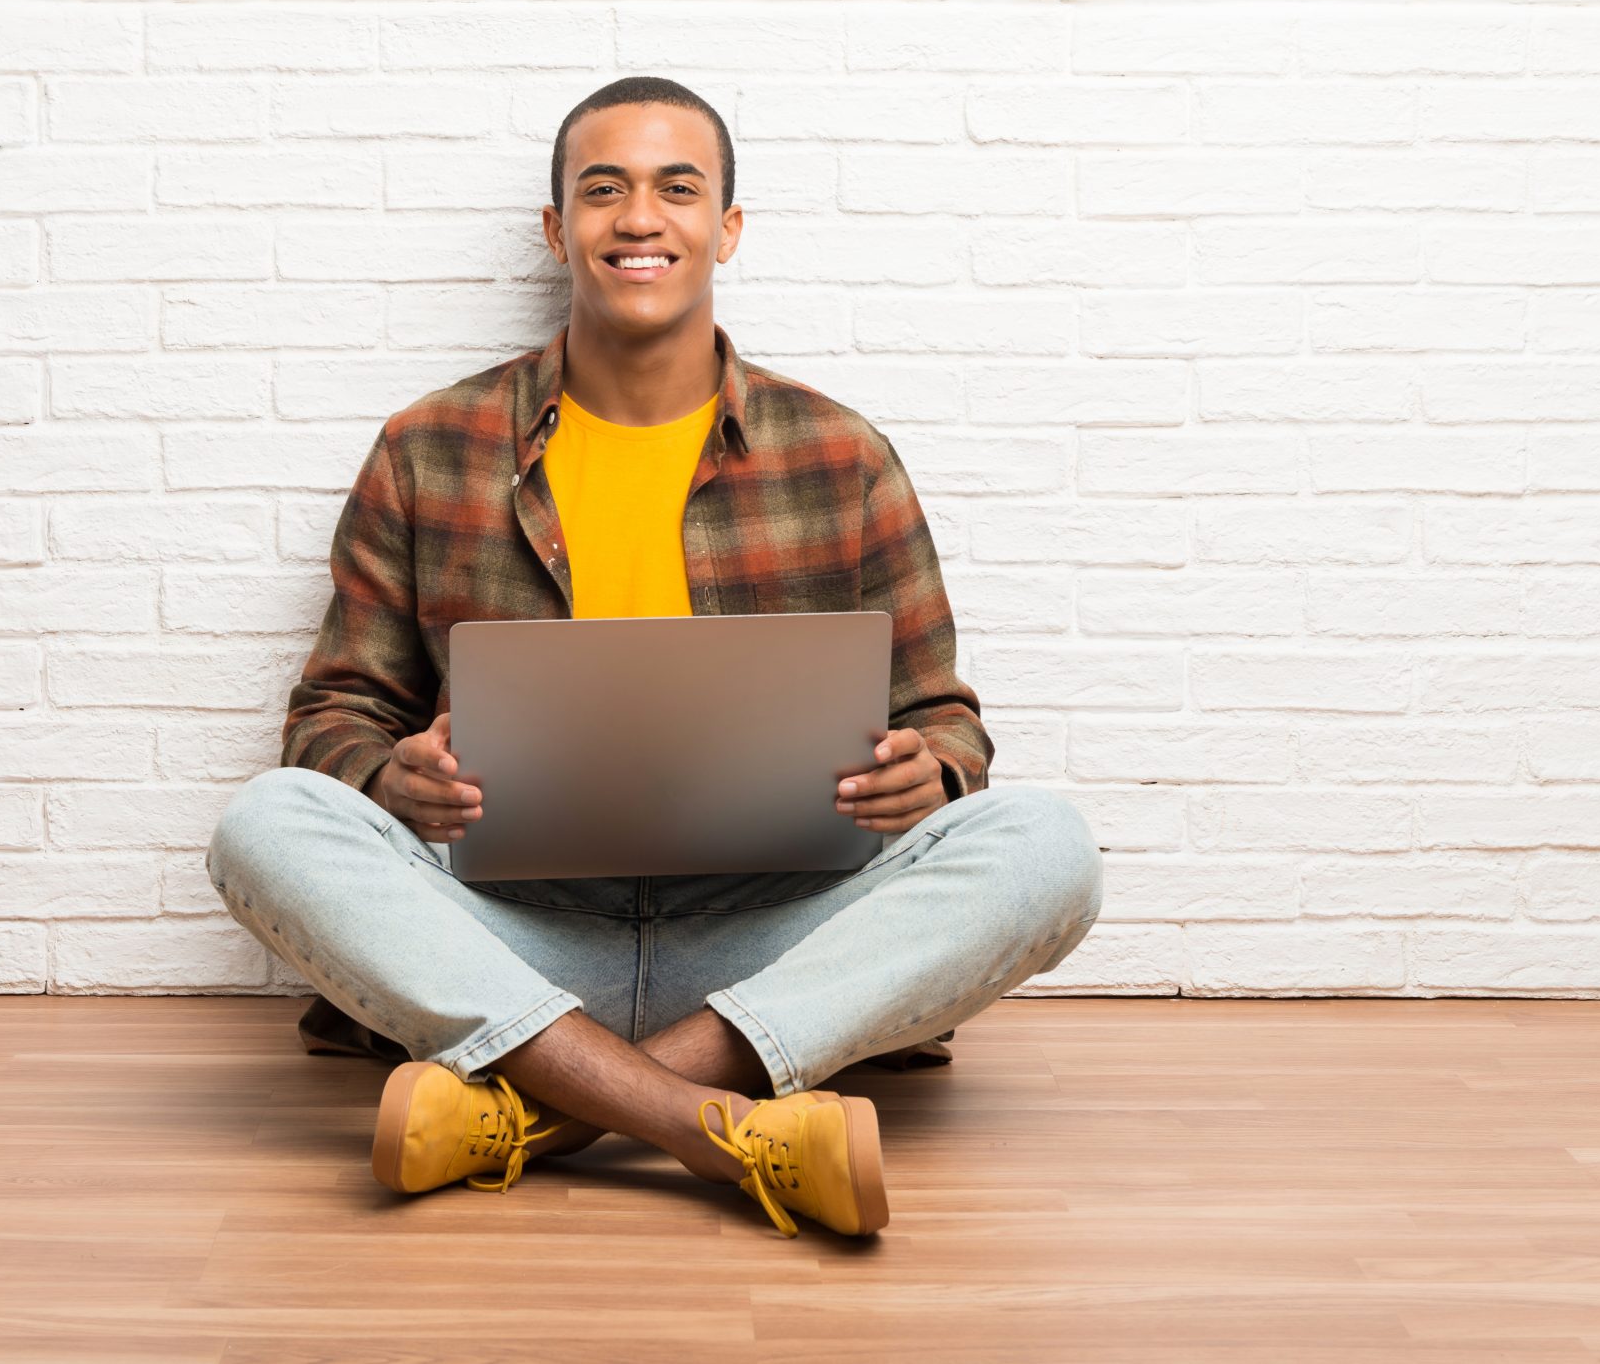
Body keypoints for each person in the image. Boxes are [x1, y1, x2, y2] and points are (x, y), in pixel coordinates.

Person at [205, 75, 1105, 1239]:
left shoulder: (840, 455)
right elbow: (333, 712)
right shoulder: (428, 447)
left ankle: (538, 1110)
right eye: (602, 189)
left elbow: (946, 717)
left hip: (765, 932)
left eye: (677, 189)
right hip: (513, 928)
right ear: (554, 228)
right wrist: (392, 774)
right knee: (265, 823)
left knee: (1046, 846)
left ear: (725, 227)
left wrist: (926, 771)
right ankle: (718, 1128)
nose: (640, 218)